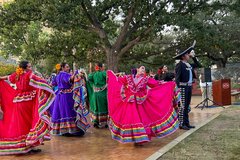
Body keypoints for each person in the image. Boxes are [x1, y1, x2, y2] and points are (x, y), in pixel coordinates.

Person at [107, 65, 180, 144]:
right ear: (137, 69)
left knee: (142, 120)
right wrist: (112, 75)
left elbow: (157, 84)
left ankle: (140, 139)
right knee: (131, 120)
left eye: (144, 69)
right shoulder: (128, 77)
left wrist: (169, 84)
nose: (143, 70)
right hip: (130, 103)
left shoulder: (146, 79)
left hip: (142, 103)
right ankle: (134, 138)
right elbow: (118, 81)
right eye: (142, 68)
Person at [0, 61, 55, 155]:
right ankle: (28, 146)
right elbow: (41, 82)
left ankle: (26, 146)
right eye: (29, 66)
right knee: (29, 124)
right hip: (27, 103)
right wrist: (49, 89)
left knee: (22, 125)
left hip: (18, 102)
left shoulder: (17, 74)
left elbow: (6, 78)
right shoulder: (29, 75)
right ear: (25, 68)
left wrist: (0, 78)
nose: (31, 68)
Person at [50, 63, 89, 136]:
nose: (68, 68)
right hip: (66, 97)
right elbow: (70, 79)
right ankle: (69, 130)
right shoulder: (64, 74)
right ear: (63, 68)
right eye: (67, 67)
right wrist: (76, 74)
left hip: (59, 96)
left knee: (62, 113)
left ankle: (64, 130)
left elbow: (53, 84)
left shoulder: (58, 75)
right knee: (68, 112)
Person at [174, 41, 202, 130]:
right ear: (183, 56)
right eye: (187, 54)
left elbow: (198, 65)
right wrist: (177, 89)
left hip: (189, 86)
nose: (188, 55)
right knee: (182, 106)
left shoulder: (189, 64)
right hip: (182, 87)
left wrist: (194, 57)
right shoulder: (179, 65)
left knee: (187, 105)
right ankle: (181, 124)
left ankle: (186, 122)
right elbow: (177, 78)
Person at [87, 63, 108, 128]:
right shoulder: (104, 73)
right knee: (103, 108)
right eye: (103, 66)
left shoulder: (93, 75)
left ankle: (95, 122)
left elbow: (89, 79)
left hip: (95, 95)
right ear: (101, 67)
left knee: (95, 108)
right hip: (102, 94)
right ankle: (103, 123)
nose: (104, 68)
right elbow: (109, 78)